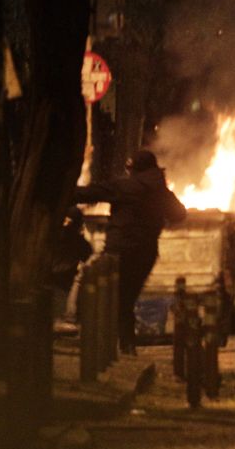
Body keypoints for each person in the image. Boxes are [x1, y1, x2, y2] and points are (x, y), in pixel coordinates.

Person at [74, 149, 187, 354]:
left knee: (105, 295)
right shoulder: (161, 191)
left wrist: (64, 193)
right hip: (146, 253)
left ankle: (103, 346)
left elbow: (88, 193)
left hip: (118, 251)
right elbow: (179, 214)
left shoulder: (124, 186)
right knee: (126, 298)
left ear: (133, 169)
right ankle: (126, 345)